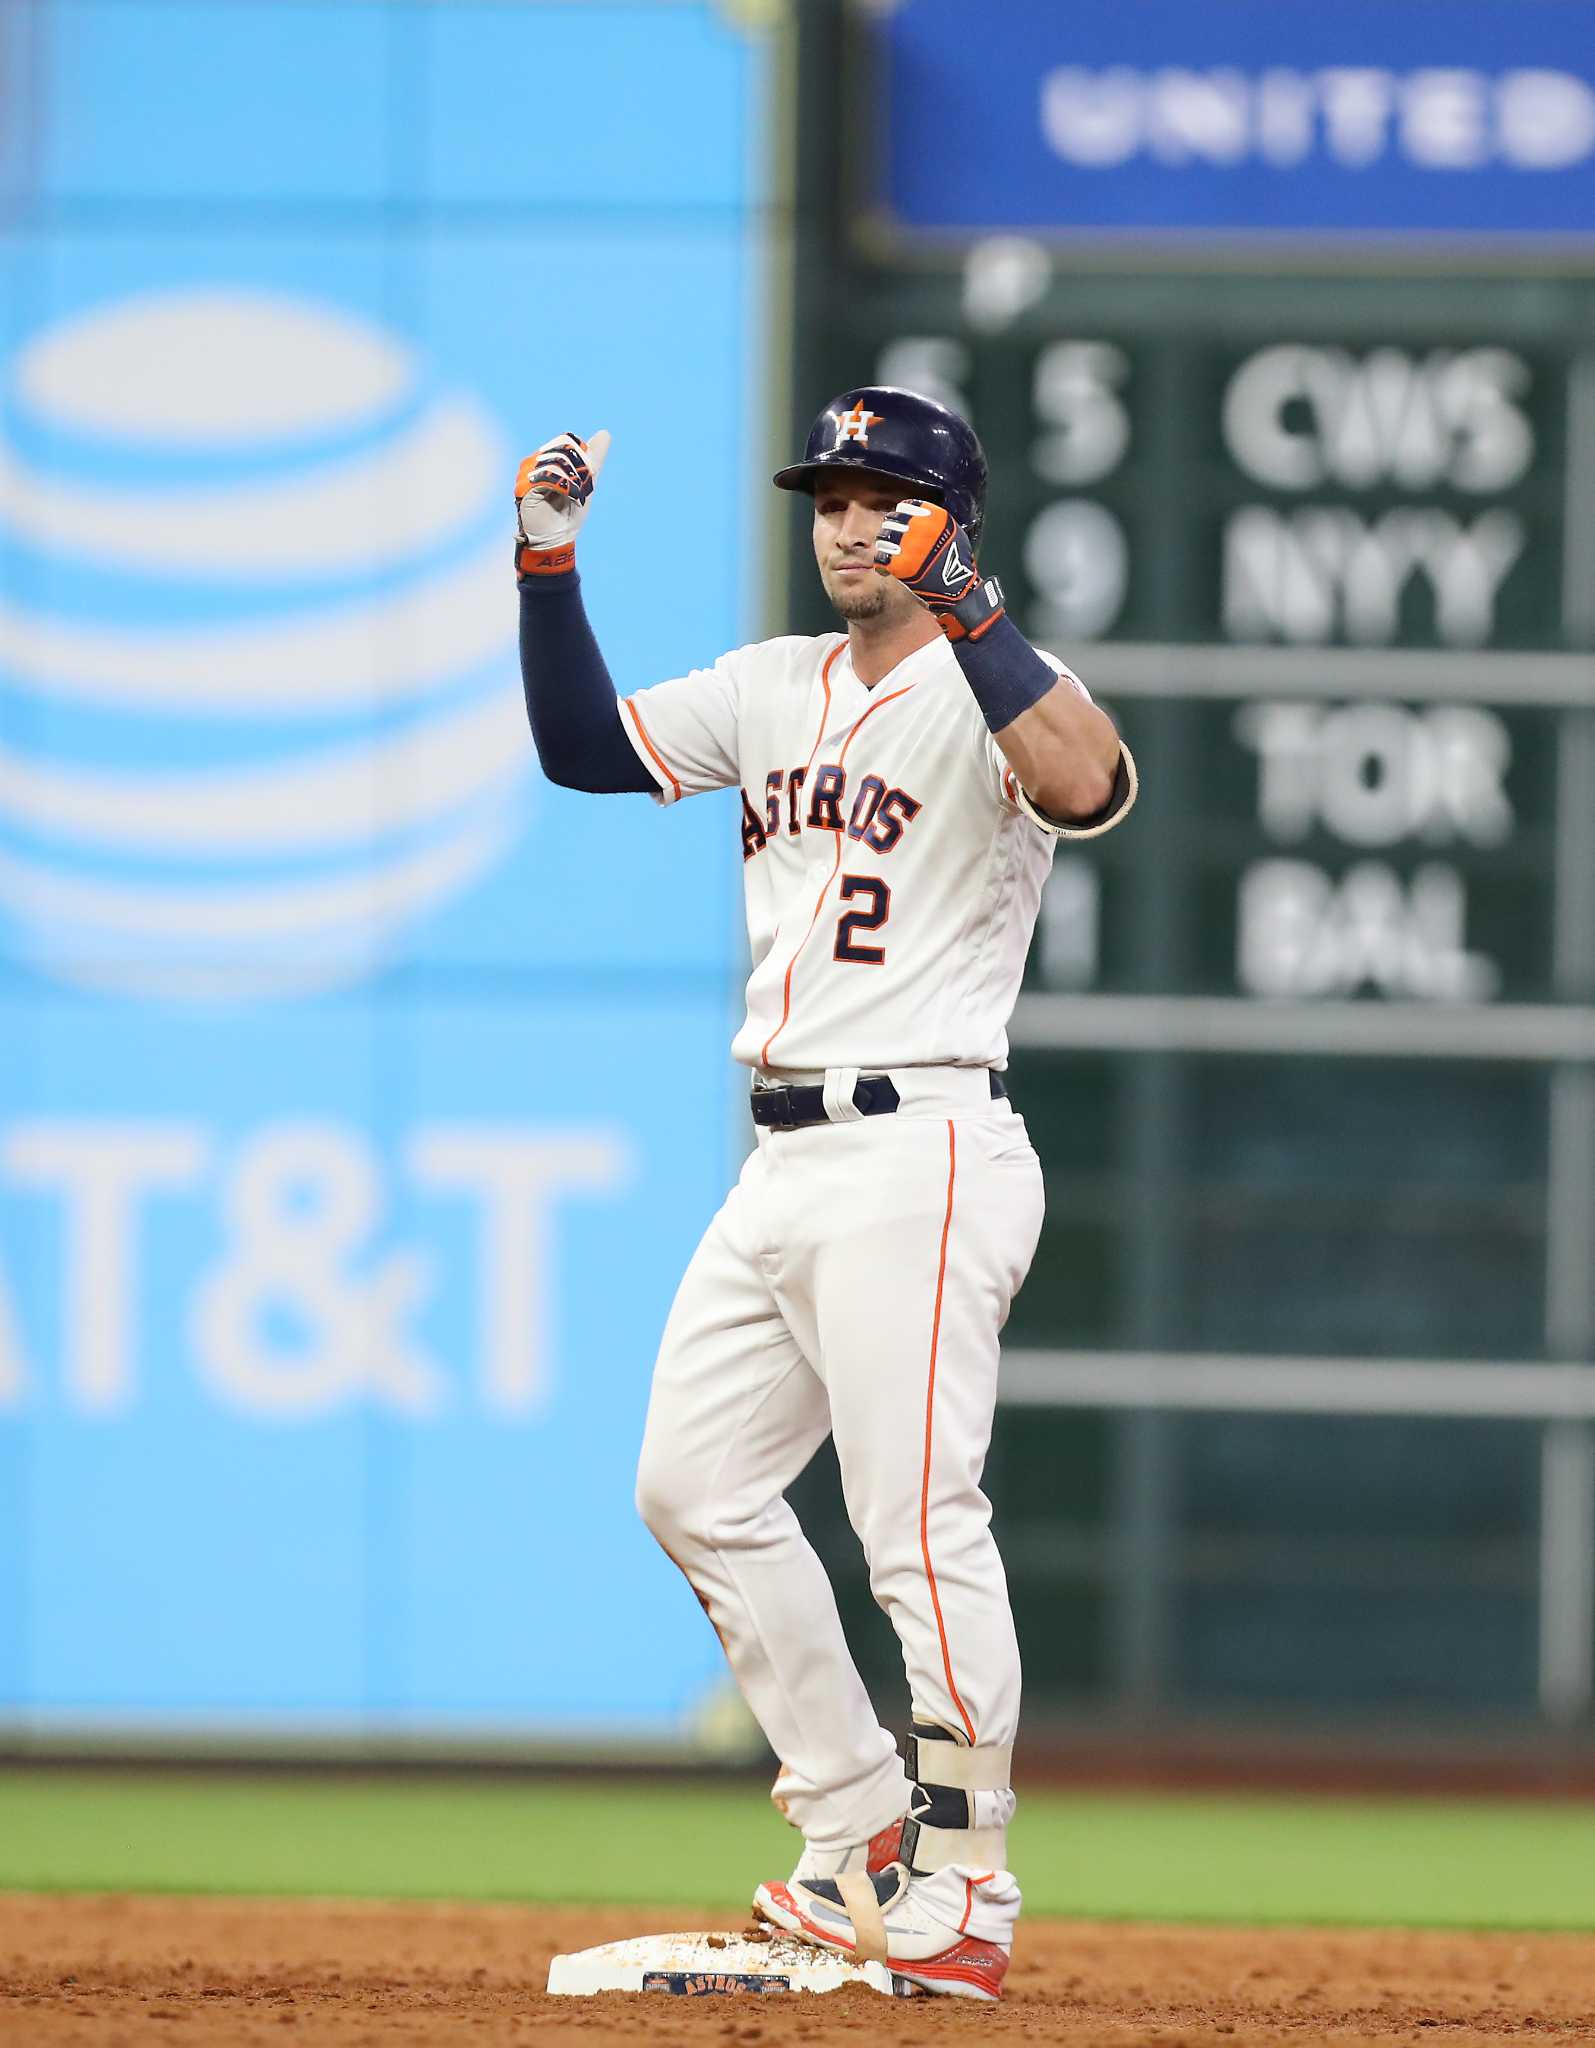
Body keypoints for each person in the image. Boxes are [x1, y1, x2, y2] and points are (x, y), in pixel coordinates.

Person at [516, 388, 1136, 2001]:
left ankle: (969, 1888)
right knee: (694, 1485)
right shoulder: (773, 685)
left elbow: (1089, 787)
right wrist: (546, 562)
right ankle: (857, 1824)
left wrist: (970, 607)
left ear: (951, 522)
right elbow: (584, 749)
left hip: (924, 1144)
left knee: (916, 1529)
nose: (850, 522)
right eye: (832, 497)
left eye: (886, 498)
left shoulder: (997, 683)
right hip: (785, 1158)